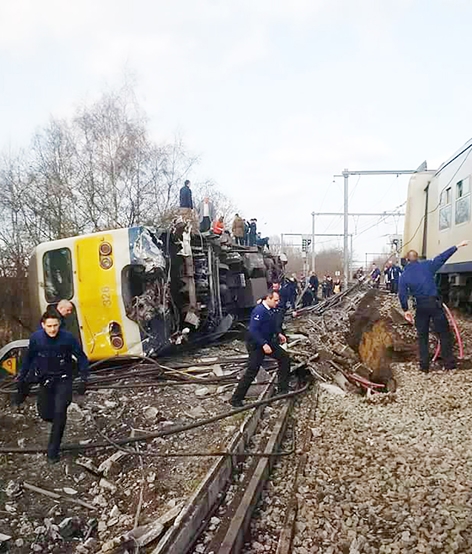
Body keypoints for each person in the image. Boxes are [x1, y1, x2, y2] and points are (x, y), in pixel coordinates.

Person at [15, 312, 89, 463]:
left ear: (59, 325)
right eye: (49, 326)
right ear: (43, 325)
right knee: (45, 414)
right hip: (45, 380)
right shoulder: (36, 338)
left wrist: (83, 378)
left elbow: (82, 357)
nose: (52, 329)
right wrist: (22, 377)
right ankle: (57, 421)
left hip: (64, 379)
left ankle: (52, 453)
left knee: (60, 411)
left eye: (55, 325)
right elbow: (28, 359)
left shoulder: (68, 338)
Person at [398, 240, 469, 373]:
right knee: (444, 333)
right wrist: (456, 246)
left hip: (420, 307)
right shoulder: (427, 266)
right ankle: (449, 364)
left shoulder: (404, 275)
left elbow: (402, 294)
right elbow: (442, 257)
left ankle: (424, 367)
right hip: (435, 304)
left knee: (423, 336)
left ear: (407, 260)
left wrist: (406, 310)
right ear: (417, 258)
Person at [230, 290, 290, 406]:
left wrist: (278, 334)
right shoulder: (259, 311)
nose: (277, 303)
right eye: (275, 300)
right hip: (256, 345)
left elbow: (271, 325)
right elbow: (253, 330)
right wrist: (263, 344)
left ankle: (282, 390)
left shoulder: (270, 310)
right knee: (252, 371)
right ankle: (235, 399)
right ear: (268, 298)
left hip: (267, 342)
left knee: (284, 358)